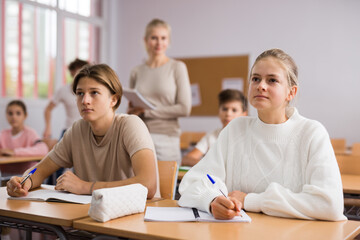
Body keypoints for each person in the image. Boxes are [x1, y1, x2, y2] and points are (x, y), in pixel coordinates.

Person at [178, 48, 346, 221]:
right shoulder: (236, 129)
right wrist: (211, 200)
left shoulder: (311, 133)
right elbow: (191, 182)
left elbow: (329, 204)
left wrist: (251, 201)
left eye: (272, 80)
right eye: (255, 79)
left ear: (291, 92)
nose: (261, 86)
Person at [7, 64, 160, 199]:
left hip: (135, 218)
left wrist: (85, 187)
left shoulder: (131, 125)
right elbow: (39, 170)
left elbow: (148, 185)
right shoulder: (76, 130)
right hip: (92, 217)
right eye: (80, 93)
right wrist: (23, 182)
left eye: (94, 92)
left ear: (113, 100)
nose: (85, 100)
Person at [128, 18, 191, 166]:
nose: (159, 43)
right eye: (154, 38)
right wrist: (132, 111)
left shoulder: (177, 67)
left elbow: (184, 108)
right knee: (138, 187)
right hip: (139, 136)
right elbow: (131, 109)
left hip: (166, 139)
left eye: (163, 38)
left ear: (169, 41)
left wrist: (147, 112)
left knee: (165, 187)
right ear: (145, 40)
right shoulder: (136, 71)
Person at [181, 89, 247, 167]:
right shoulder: (211, 136)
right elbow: (187, 159)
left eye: (234, 110)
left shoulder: (248, 137)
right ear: (219, 112)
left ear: (244, 114)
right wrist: (210, 164)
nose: (228, 114)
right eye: (224, 109)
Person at [43, 58, 89, 139]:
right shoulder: (63, 90)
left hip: (88, 130)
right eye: (79, 71)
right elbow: (48, 109)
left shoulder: (91, 90)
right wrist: (48, 128)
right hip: (69, 130)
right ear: (72, 72)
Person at [0, 100, 48, 174]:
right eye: (10, 113)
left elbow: (43, 149)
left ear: (25, 115)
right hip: (5, 175)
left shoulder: (30, 133)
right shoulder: (3, 134)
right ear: (6, 115)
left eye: (18, 113)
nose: (14, 117)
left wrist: (14, 152)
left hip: (26, 176)